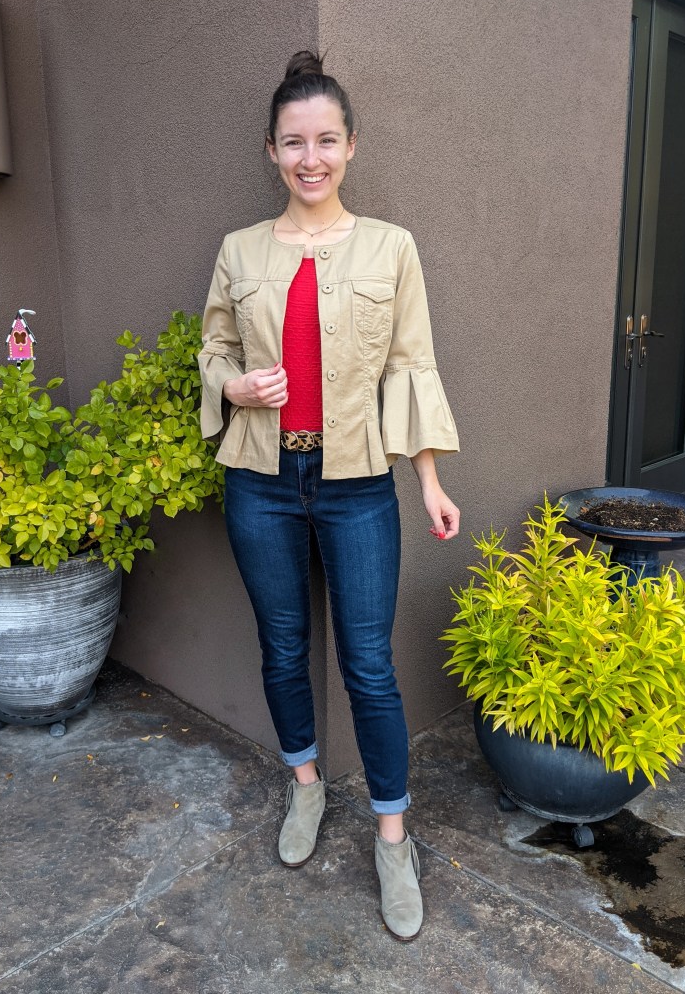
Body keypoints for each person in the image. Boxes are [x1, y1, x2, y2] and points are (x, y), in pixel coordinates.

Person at [198, 51, 460, 941]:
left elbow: (411, 365)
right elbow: (214, 351)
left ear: (352, 146)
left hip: (355, 484)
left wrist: (427, 479)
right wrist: (233, 390)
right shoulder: (238, 251)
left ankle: (393, 837)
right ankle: (305, 785)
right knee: (280, 645)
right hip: (262, 481)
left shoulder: (392, 246)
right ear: (271, 151)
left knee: (368, 663)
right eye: (293, 142)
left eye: (327, 141)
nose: (311, 157)